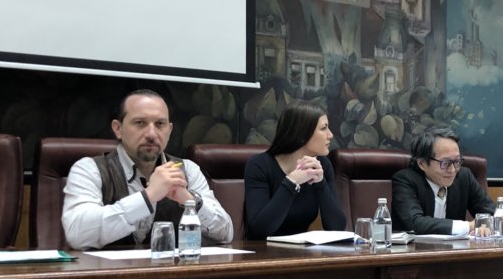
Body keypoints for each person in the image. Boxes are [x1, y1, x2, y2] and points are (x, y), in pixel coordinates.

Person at [62, 89, 233, 250]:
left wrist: (189, 200)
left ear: (169, 130)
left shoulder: (187, 170)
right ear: (118, 129)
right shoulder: (89, 169)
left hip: (170, 271)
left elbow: (226, 234)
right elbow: (77, 234)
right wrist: (148, 196)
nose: (151, 134)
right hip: (106, 271)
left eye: (160, 124)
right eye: (140, 123)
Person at [243, 101, 347, 238]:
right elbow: (258, 230)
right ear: (302, 134)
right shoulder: (259, 165)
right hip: (262, 250)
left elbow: (337, 227)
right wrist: (291, 182)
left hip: (301, 250)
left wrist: (321, 184)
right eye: (323, 128)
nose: (330, 135)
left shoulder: (322, 165)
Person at [392, 127, 495, 235]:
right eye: (445, 163)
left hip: (456, 246)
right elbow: (414, 223)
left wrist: (485, 225)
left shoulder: (464, 177)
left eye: (457, 161)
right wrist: (468, 226)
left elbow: (493, 214)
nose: (453, 170)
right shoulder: (405, 180)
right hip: (414, 246)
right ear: (422, 163)